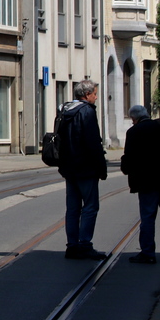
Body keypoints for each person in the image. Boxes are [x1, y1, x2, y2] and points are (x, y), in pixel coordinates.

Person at [58, 79, 109, 260]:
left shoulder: (66, 111)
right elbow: (93, 143)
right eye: (95, 94)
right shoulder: (87, 112)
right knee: (90, 206)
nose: (96, 97)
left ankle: (72, 245)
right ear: (87, 95)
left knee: (72, 208)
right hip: (86, 168)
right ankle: (84, 244)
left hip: (69, 168)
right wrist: (101, 168)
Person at [122, 105, 160, 264]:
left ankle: (148, 252)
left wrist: (125, 169)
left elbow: (129, 158)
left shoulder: (134, 132)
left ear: (134, 119)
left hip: (146, 182)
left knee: (147, 217)